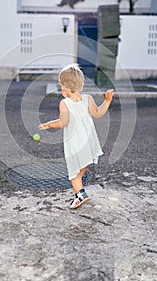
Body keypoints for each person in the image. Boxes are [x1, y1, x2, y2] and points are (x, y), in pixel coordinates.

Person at [38, 64, 113, 209]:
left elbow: (63, 122)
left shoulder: (64, 103)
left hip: (75, 143)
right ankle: (80, 190)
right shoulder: (87, 99)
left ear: (65, 86)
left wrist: (49, 125)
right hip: (88, 141)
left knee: (73, 173)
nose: (61, 88)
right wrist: (107, 101)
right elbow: (97, 113)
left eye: (61, 85)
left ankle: (80, 194)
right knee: (80, 169)